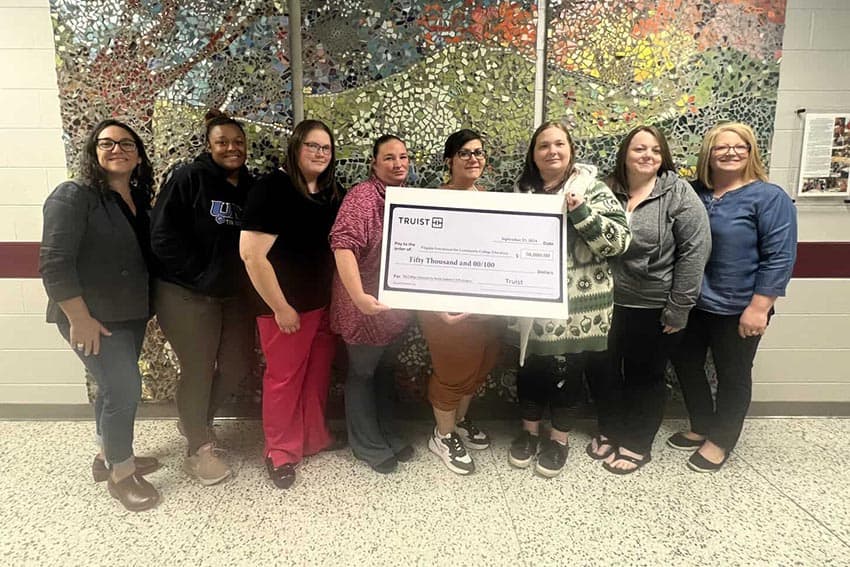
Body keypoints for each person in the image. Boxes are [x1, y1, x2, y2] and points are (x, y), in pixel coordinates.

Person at [39, 119, 160, 511]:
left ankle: (105, 457)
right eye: (106, 143)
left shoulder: (137, 197)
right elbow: (54, 264)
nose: (117, 150)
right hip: (90, 315)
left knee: (111, 388)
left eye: (126, 144)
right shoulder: (73, 195)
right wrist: (79, 318)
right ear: (93, 150)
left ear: (138, 154)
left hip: (128, 313)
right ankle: (121, 474)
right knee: (124, 389)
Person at [669, 122, 797, 472]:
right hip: (694, 304)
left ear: (751, 151)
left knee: (733, 373)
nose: (730, 152)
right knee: (686, 364)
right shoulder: (694, 193)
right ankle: (700, 425)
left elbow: (780, 256)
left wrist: (760, 307)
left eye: (739, 146)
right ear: (708, 154)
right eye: (721, 147)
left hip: (740, 306)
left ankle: (721, 439)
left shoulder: (770, 198)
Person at [506, 121, 631, 478]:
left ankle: (558, 440)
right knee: (529, 371)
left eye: (559, 144)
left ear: (571, 149)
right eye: (543, 146)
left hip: (580, 307)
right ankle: (528, 434)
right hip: (532, 304)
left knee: (568, 374)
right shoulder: (522, 192)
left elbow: (619, 242)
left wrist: (581, 212)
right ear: (534, 154)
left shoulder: (591, 189)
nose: (552, 152)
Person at [587, 126, 711, 474]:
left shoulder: (678, 193)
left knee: (645, 376)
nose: (648, 156)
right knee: (603, 371)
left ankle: (638, 442)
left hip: (653, 305)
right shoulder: (606, 189)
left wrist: (679, 308)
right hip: (603, 301)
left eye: (655, 150)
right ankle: (610, 429)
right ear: (625, 153)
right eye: (640, 148)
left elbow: (695, 252)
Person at [150, 110, 255, 485]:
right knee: (198, 367)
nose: (231, 148)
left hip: (230, 296)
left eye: (238, 142)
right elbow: (161, 237)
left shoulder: (249, 187)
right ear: (209, 146)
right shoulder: (188, 178)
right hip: (185, 293)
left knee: (237, 364)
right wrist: (200, 276)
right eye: (222, 142)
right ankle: (199, 449)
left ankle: (195, 422)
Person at [240, 120, 346, 489]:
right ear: (296, 147)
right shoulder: (271, 190)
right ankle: (280, 452)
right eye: (312, 146)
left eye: (326, 148)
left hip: (321, 306)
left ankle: (314, 438)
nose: (320, 153)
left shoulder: (330, 192)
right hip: (283, 309)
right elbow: (252, 256)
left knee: (316, 377)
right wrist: (282, 308)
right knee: (284, 380)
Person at [417, 129, 505, 475]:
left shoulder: (491, 200)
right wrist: (433, 306)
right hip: (446, 310)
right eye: (465, 153)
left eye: (479, 153)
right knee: (452, 373)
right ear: (448, 161)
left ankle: (460, 421)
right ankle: (442, 434)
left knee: (480, 366)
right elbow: (416, 258)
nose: (474, 159)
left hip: (485, 308)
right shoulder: (431, 202)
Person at [329, 135, 414, 474]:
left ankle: (388, 433)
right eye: (389, 158)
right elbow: (343, 246)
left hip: (394, 308)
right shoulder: (362, 197)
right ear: (374, 164)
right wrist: (359, 297)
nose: (398, 164)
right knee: (363, 373)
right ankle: (367, 445)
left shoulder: (408, 197)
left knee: (384, 372)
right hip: (362, 304)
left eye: (403, 157)